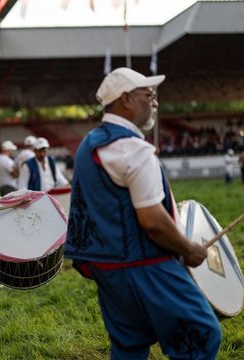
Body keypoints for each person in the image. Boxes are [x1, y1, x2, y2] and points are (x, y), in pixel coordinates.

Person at [65, 67, 221, 359]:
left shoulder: (90, 143)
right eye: (149, 95)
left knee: (129, 345)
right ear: (126, 99)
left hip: (106, 267)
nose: (155, 102)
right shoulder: (133, 149)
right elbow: (152, 220)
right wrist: (189, 250)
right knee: (201, 334)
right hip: (144, 264)